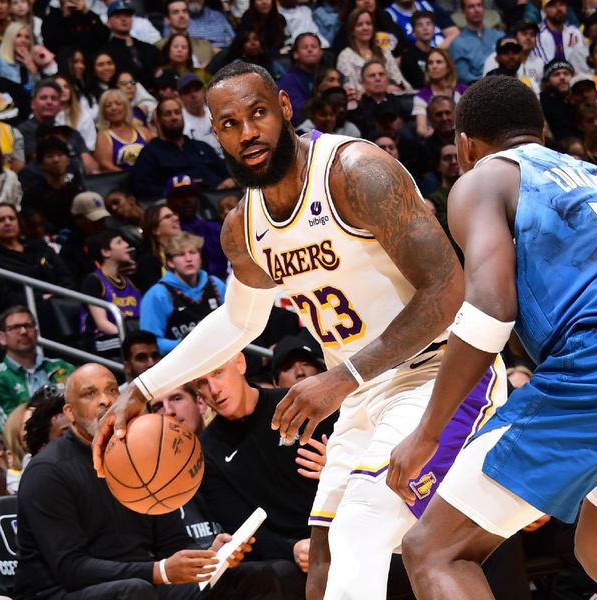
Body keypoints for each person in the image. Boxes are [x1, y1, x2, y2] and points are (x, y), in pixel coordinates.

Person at [94, 61, 500, 600]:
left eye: (258, 113)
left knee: (364, 526)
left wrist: (342, 376)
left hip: (440, 373)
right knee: (325, 565)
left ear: (285, 109)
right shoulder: (243, 226)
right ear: (214, 134)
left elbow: (448, 292)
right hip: (364, 391)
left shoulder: (354, 172)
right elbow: (240, 321)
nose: (248, 133)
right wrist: (142, 388)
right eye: (230, 124)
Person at [385, 75, 597, 600]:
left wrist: (428, 433)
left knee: (436, 550)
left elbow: (490, 309)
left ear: (465, 143)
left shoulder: (484, 179)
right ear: (541, 132)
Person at [14, 362, 277, 600]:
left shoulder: (142, 453)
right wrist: (159, 571)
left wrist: (208, 555)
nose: (105, 401)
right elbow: (71, 569)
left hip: (142, 582)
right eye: (90, 394)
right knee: (135, 592)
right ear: (70, 413)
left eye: (112, 391)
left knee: (266, 575)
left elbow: (171, 543)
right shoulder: (47, 471)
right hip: (61, 592)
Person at [194, 352, 335, 598]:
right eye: (201, 383)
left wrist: (336, 470)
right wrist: (293, 549)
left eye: (218, 373)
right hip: (290, 554)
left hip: (340, 527)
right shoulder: (207, 454)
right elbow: (241, 528)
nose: (213, 389)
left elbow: (364, 464)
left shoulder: (297, 404)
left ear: (240, 363)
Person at [0, 306, 74, 431]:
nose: (24, 331)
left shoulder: (61, 366)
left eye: (28, 325)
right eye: (15, 327)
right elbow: (11, 431)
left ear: (36, 332)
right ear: (2, 337)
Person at [139, 231, 227, 356]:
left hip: (221, 353)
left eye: (193, 252)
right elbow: (149, 343)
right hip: (181, 360)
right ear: (170, 262)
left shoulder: (216, 284)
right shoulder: (158, 294)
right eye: (180, 254)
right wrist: (183, 344)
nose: (188, 259)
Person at [132, 97, 234, 198]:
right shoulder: (150, 153)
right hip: (181, 204)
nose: (174, 117)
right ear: (158, 120)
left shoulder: (201, 146)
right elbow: (143, 188)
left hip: (219, 197)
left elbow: (227, 171)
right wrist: (172, 190)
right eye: (168, 114)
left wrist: (230, 180)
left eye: (177, 112)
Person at [79, 229, 141, 358]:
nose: (126, 245)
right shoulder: (93, 281)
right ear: (106, 252)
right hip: (102, 340)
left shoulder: (129, 281)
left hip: (128, 334)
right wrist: (130, 338)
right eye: (119, 242)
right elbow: (102, 323)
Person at [165, 174, 229, 280]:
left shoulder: (214, 228)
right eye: (180, 196)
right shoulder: (169, 232)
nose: (187, 200)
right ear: (169, 201)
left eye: (191, 194)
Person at [336, 8, 413, 96]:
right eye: (359, 25)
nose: (365, 28)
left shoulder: (384, 52)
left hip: (392, 101)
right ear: (352, 31)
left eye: (368, 24)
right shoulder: (345, 56)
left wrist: (403, 88)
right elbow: (351, 87)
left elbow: (400, 81)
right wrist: (383, 89)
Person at [102, 0, 160, 89]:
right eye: (118, 16)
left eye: (127, 15)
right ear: (108, 23)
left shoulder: (149, 48)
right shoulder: (107, 52)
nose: (124, 19)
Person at [94, 88, 153, 172]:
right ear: (104, 112)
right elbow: (105, 164)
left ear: (126, 107)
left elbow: (158, 151)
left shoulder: (142, 131)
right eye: (108, 105)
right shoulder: (103, 135)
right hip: (121, 182)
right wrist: (129, 177)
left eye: (118, 104)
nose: (114, 108)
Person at [413, 48, 465, 138]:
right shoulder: (422, 96)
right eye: (430, 63)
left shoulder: (463, 91)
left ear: (448, 67)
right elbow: (421, 128)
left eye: (439, 62)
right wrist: (429, 135)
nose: (434, 66)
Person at [447, 0, 501, 85]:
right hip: (476, 89)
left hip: (504, 84)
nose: (477, 10)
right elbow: (464, 76)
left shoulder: (499, 36)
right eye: (471, 7)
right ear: (463, 12)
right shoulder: (457, 43)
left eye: (479, 5)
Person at [157, 0, 216, 68]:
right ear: (167, 19)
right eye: (175, 12)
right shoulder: (158, 47)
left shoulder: (205, 45)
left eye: (185, 11)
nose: (182, 16)